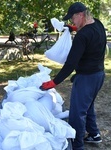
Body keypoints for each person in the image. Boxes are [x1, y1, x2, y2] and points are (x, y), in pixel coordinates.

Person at [40, 2, 106, 150]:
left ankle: (77, 146)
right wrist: (74, 28)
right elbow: (91, 35)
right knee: (88, 106)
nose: (71, 21)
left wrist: (54, 82)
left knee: (77, 113)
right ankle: (94, 134)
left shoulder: (82, 36)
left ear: (80, 15)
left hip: (86, 78)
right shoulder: (98, 24)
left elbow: (70, 64)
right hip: (99, 75)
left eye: (73, 19)